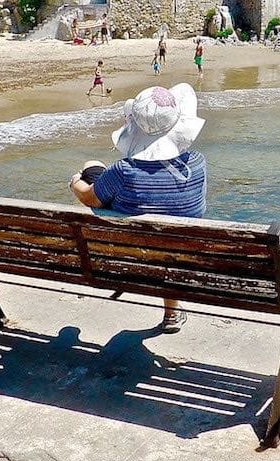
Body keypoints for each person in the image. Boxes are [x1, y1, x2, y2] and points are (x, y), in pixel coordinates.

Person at [69, 83, 207, 333]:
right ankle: (172, 313)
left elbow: (88, 199)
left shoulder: (123, 171)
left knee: (93, 168)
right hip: (179, 256)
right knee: (168, 236)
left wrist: (75, 182)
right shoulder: (197, 164)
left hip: (129, 258)